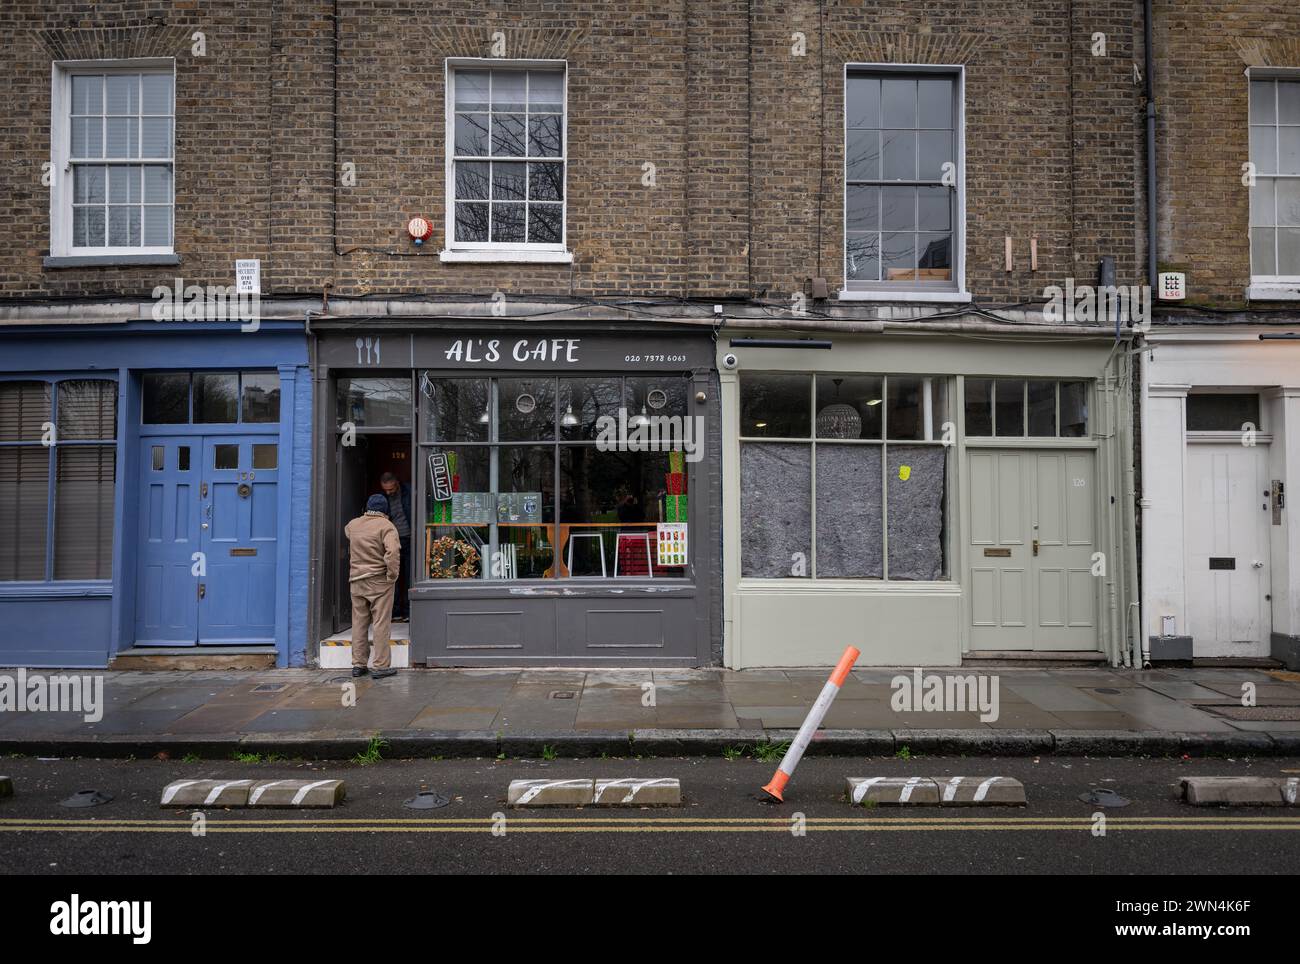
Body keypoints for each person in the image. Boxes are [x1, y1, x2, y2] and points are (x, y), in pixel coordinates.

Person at [344, 494, 400, 679]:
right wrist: (392, 576)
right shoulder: (387, 526)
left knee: (359, 622)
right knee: (380, 623)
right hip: (378, 580)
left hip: (356, 580)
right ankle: (381, 666)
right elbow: (392, 553)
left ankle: (358, 665)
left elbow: (347, 532)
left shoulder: (353, 525)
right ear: (386, 510)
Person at [379, 471, 412, 621]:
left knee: (410, 576)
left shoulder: (409, 492)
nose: (388, 492)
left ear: (397, 484)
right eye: (386, 489)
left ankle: (409, 611)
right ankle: (396, 611)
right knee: (393, 576)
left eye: (391, 489)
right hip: (392, 541)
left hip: (410, 539)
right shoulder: (382, 498)